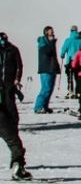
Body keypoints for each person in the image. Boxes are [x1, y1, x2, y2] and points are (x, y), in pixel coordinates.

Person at [1, 32, 30, 181]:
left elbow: (19, 65)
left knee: (14, 136)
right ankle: (18, 166)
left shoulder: (12, 50)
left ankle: (18, 165)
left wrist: (16, 80)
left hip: (8, 89)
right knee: (14, 142)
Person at [32, 27, 58, 114]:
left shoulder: (50, 41)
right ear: (46, 32)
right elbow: (47, 51)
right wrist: (51, 42)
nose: (53, 32)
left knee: (50, 88)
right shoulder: (43, 41)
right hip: (46, 68)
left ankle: (44, 106)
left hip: (51, 68)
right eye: (51, 30)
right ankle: (38, 107)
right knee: (45, 88)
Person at [59, 26, 81, 96]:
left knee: (70, 77)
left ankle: (70, 91)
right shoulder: (80, 40)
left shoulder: (68, 40)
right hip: (78, 61)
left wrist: (62, 55)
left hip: (70, 61)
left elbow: (64, 49)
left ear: (71, 31)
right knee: (77, 77)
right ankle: (78, 92)